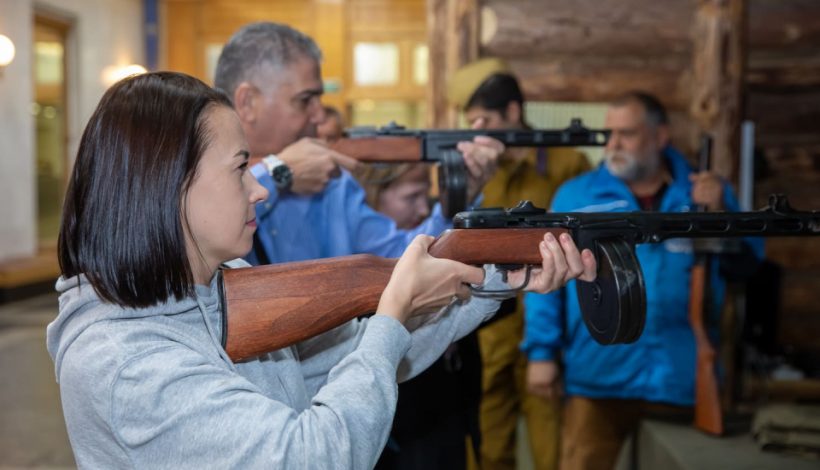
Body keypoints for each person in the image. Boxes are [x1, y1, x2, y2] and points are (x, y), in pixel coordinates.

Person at [46, 71, 597, 469]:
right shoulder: (126, 366)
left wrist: (494, 281)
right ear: (168, 184)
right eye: (241, 168)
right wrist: (391, 318)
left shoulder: (216, 288)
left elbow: (340, 363)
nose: (259, 187)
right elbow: (313, 455)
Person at [522, 91, 763, 470]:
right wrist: (541, 352)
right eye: (609, 134)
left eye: (627, 133)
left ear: (660, 136)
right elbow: (545, 283)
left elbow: (747, 268)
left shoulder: (704, 194)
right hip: (597, 377)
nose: (613, 144)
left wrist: (722, 213)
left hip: (682, 380)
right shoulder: (575, 195)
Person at [213, 22, 502, 265]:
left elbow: (401, 262)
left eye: (319, 99)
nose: (319, 113)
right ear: (247, 103)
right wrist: (279, 174)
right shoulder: (192, 178)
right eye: (305, 100)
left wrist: (457, 200)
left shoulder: (334, 185)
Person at [446, 58, 591, 470]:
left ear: (512, 112)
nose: (477, 132)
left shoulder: (569, 165)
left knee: (553, 446)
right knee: (489, 447)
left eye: (484, 118)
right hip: (491, 328)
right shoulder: (477, 168)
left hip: (551, 325)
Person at [356, 163, 482, 470]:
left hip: (447, 394)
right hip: (404, 413)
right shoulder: (356, 265)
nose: (424, 208)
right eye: (411, 197)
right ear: (373, 199)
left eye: (427, 196)